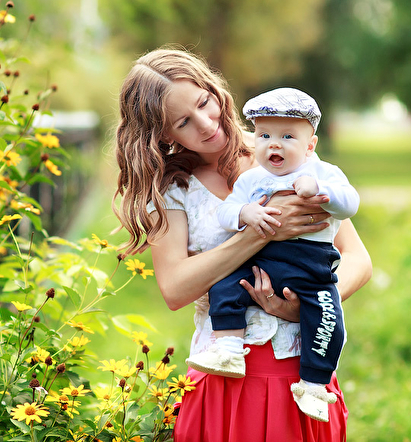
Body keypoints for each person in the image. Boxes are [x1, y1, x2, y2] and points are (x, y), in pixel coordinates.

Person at [114, 48, 372, 442]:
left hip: (300, 371)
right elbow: (175, 288)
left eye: (204, 103)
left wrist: (304, 306)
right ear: (164, 135)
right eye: (183, 122)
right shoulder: (173, 190)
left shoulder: (288, 152)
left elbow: (358, 259)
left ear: (214, 91)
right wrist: (259, 233)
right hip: (223, 375)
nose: (206, 124)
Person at [185, 87, 359, 422]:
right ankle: (229, 348)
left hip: (311, 263)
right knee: (225, 285)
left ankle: (314, 384)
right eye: (264, 135)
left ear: (310, 145)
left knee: (326, 315)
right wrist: (245, 213)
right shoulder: (252, 179)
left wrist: (321, 192)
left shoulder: (323, 173)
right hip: (263, 260)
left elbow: (350, 203)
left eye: (287, 136)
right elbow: (226, 212)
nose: (274, 144)